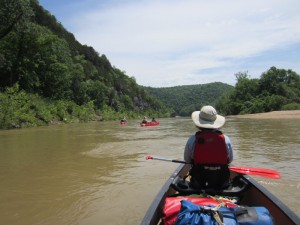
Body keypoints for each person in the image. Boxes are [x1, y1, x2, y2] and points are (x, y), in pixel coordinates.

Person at [184, 105, 233, 189]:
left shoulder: (192, 139)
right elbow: (230, 160)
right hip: (221, 183)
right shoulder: (226, 139)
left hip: (199, 183)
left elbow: (187, 160)